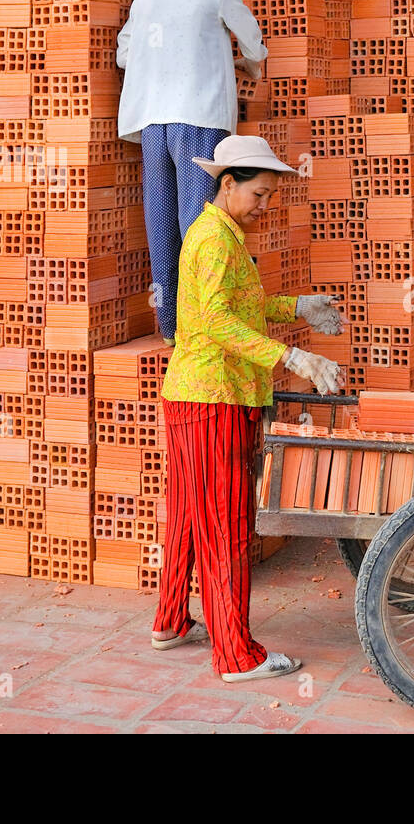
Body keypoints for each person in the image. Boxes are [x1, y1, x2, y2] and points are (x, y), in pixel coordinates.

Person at [150, 135, 346, 682]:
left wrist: (296, 307)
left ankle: (170, 620)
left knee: (190, 516)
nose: (263, 206)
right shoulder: (214, 239)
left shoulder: (222, 234)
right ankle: (236, 654)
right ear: (227, 184)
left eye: (269, 197)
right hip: (215, 399)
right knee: (227, 526)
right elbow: (214, 321)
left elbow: (241, 306)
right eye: (258, 194)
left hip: (196, 397)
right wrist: (293, 356)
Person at [115, 0, 268, 346]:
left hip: (152, 123)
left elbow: (125, 55)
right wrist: (245, 65)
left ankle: (171, 328)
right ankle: (204, 324)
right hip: (199, 118)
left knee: (159, 220)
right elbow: (255, 46)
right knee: (200, 223)